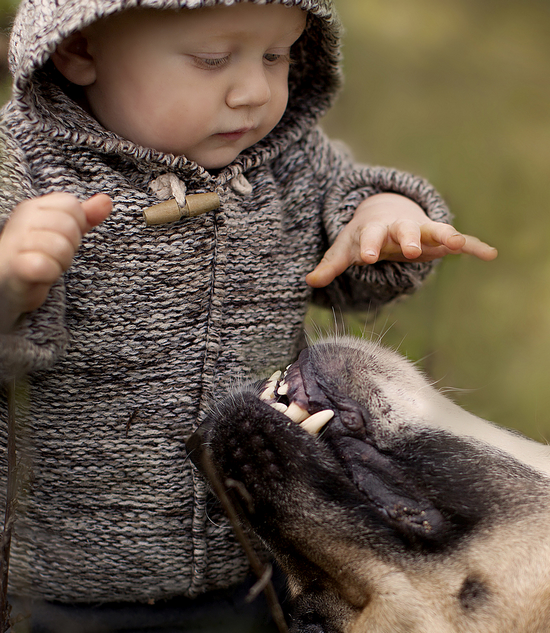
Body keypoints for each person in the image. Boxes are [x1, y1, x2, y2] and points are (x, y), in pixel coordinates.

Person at [0, 0, 495, 629]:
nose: (255, 92)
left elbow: (353, 199)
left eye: (276, 55)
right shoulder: (22, 167)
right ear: (78, 49)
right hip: (60, 586)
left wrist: (381, 218)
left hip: (264, 558)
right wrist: (12, 282)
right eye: (212, 60)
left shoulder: (289, 163)